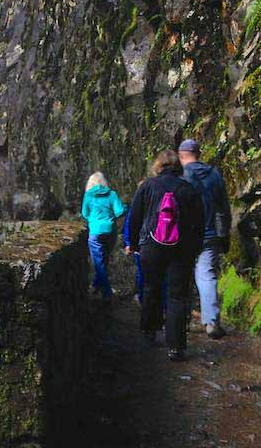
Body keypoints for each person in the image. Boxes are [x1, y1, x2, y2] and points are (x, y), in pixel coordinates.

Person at [127, 150, 204, 361]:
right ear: (178, 167)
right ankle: (175, 347)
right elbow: (199, 223)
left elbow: (134, 217)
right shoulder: (188, 189)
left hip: (151, 247)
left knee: (151, 288)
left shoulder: (148, 186)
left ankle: (148, 332)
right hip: (180, 249)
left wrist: (133, 244)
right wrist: (195, 249)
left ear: (158, 165)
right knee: (177, 296)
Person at [179, 139, 232, 339]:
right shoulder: (215, 175)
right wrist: (224, 234)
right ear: (198, 153)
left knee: (181, 275)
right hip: (210, 234)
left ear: (181, 155)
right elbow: (224, 207)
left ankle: (180, 320)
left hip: (185, 235)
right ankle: (211, 322)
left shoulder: (181, 176)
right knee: (206, 275)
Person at [81, 172, 127, 301]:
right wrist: (125, 207)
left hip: (95, 232)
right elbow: (119, 212)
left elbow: (84, 213)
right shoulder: (112, 194)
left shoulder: (88, 196)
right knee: (104, 260)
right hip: (110, 232)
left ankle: (107, 293)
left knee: (98, 264)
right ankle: (96, 285)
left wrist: (93, 220)